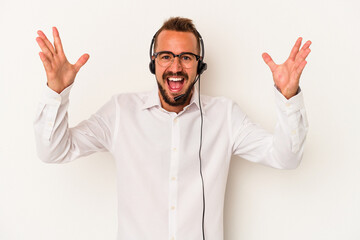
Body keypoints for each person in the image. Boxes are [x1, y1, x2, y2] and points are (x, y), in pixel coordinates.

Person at [34, 17, 311, 240]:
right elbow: (54, 151)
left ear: (199, 66)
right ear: (153, 63)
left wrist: (288, 97)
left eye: (186, 57)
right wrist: (57, 92)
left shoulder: (225, 115)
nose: (175, 66)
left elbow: (285, 158)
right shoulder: (121, 112)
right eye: (166, 56)